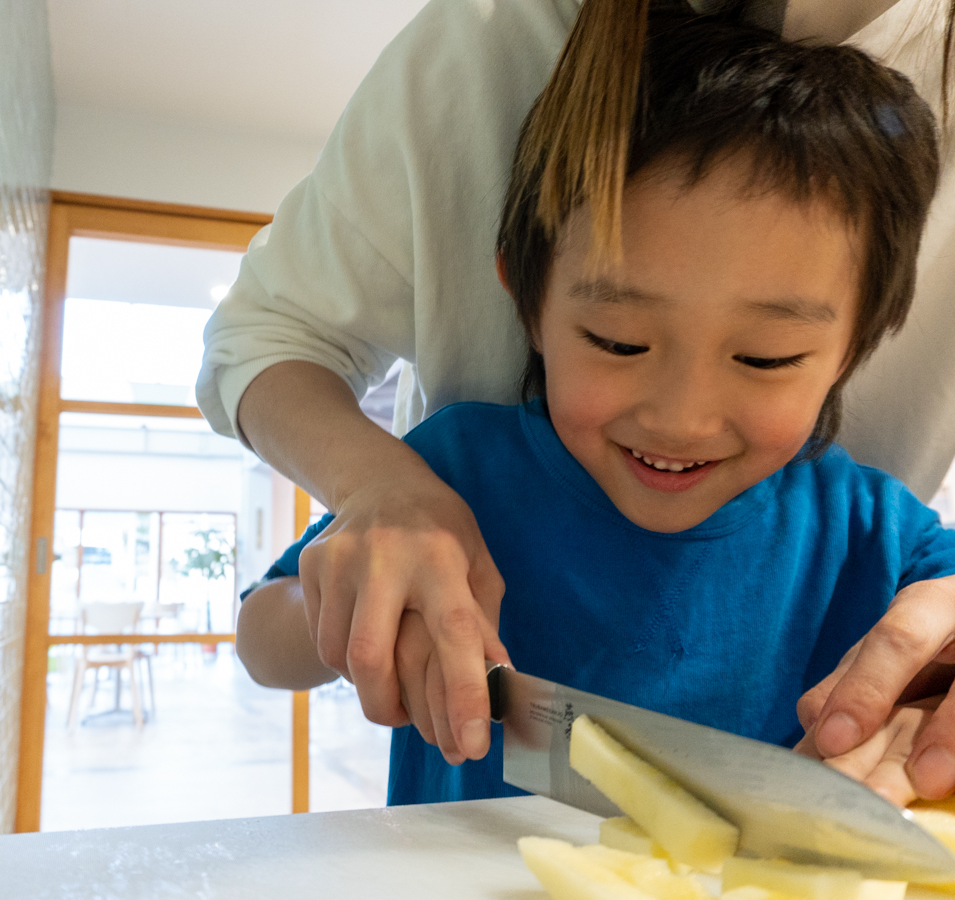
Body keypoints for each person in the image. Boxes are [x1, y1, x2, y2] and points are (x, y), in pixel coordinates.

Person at [199, 0, 955, 798]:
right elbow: (259, 639)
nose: (681, 418)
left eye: (767, 358)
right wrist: (357, 616)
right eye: (619, 341)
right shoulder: (461, 472)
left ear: (856, 347)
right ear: (527, 302)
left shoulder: (875, 533)